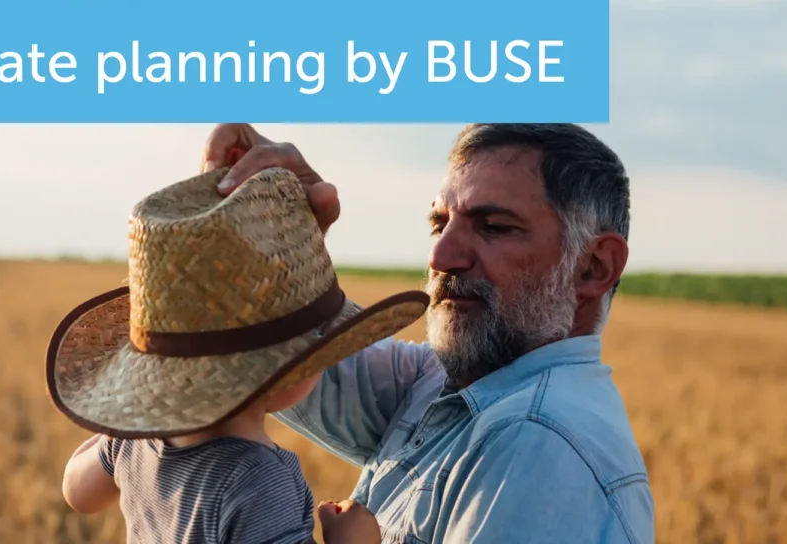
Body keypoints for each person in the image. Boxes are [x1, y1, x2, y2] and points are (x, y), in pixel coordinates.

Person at [197, 123, 655, 544]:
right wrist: (283, 231)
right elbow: (291, 359)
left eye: (494, 227)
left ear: (594, 267)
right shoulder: (447, 383)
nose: (441, 256)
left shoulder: (537, 443)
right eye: (439, 224)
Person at [47, 166, 434, 543]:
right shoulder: (261, 482)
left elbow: (77, 492)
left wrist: (124, 426)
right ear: (291, 369)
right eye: (323, 347)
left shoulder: (135, 441)